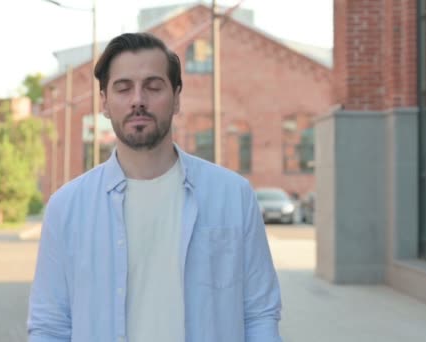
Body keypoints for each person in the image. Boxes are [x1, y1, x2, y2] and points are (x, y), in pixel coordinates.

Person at [27, 32, 282, 342]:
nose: (138, 100)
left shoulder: (232, 195)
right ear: (105, 102)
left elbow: (259, 313)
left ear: (176, 98)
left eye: (153, 86)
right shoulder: (67, 207)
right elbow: (50, 326)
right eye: (123, 88)